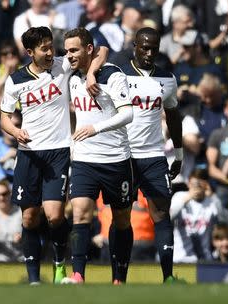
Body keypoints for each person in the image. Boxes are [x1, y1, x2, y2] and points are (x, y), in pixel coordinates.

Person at [0, 26, 107, 284]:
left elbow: (102, 50)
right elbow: (4, 119)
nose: (50, 52)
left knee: (55, 215)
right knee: (29, 217)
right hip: (28, 155)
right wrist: (15, 131)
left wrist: (92, 72)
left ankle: (59, 265)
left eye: (51, 46)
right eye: (43, 48)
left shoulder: (62, 65)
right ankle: (34, 279)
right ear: (29, 52)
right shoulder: (15, 80)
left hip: (58, 152)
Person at [60, 27, 133, 284]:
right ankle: (78, 274)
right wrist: (88, 71)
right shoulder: (71, 74)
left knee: (122, 219)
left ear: (88, 49)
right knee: (79, 212)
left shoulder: (113, 75)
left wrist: (95, 128)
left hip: (116, 159)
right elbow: (102, 49)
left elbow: (128, 114)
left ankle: (118, 279)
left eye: (73, 50)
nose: (68, 56)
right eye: (66, 51)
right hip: (84, 159)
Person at [122, 27, 183, 283]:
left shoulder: (167, 79)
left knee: (161, 214)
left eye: (154, 49)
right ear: (134, 46)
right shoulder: (118, 75)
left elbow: (173, 116)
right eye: (144, 47)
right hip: (123, 156)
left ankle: (168, 276)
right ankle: (119, 279)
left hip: (154, 155)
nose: (149, 53)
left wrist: (178, 154)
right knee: (121, 218)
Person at [170, 169, 227, 263]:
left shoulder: (212, 201)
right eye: (194, 184)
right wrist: (186, 199)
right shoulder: (180, 196)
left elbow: (224, 221)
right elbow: (169, 216)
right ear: (188, 184)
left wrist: (213, 196)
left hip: (203, 259)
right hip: (180, 258)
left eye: (200, 184)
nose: (197, 187)